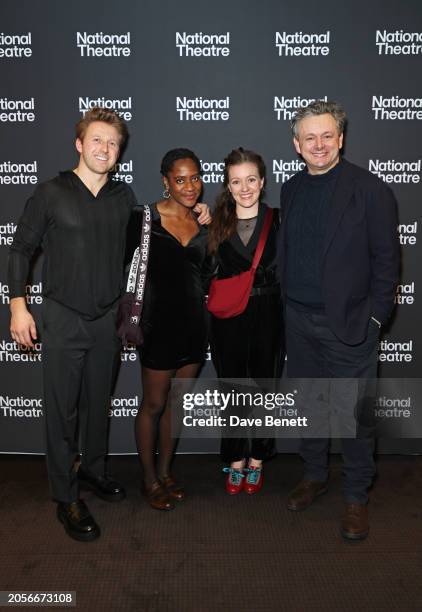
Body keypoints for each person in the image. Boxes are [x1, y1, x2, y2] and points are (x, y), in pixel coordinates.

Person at [7, 110, 211, 540]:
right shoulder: (50, 193)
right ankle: (65, 497)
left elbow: (160, 229)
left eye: (112, 143)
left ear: (120, 152)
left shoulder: (124, 198)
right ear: (79, 144)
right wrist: (18, 306)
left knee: (99, 401)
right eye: (96, 140)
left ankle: (95, 471)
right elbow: (21, 248)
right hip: (62, 317)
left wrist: (199, 211)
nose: (104, 149)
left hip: (107, 320)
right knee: (63, 412)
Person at [278, 100, 400, 540]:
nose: (319, 144)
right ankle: (314, 475)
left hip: (349, 325)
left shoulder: (370, 190)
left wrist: (374, 321)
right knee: (311, 406)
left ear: (341, 138)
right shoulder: (290, 189)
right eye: (309, 137)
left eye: (327, 135)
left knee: (354, 416)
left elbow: (387, 263)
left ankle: (355, 496)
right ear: (296, 144)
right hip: (299, 321)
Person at [133, 148, 212, 511]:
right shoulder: (144, 219)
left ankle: (166, 472)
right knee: (153, 404)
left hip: (194, 327)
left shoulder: (205, 224)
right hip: (158, 327)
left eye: (195, 177)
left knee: (177, 404)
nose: (190, 186)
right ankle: (149, 479)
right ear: (166, 181)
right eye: (180, 179)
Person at [208, 147, 284, 495]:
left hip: (269, 316)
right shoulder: (214, 223)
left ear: (263, 181)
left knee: (265, 389)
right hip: (229, 320)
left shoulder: (279, 220)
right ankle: (235, 459)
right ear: (228, 185)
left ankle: (258, 459)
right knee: (233, 389)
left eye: (251, 179)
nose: (245, 188)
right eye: (236, 181)